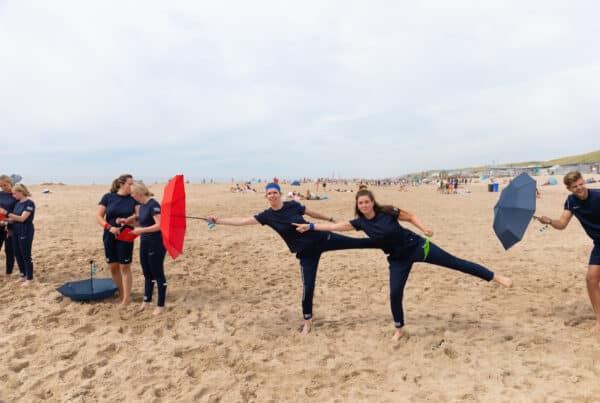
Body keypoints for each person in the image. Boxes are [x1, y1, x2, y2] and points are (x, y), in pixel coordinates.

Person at [294, 188, 513, 341]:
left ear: (372, 202)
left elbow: (410, 217)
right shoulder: (359, 222)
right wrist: (310, 227)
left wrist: (424, 229)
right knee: (394, 293)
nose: (364, 205)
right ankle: (399, 328)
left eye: (367, 202)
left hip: (418, 246)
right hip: (397, 259)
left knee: (455, 263)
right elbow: (335, 227)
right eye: (360, 203)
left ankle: (496, 277)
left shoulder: (388, 211)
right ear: (358, 206)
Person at [206, 182, 377, 334]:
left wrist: (331, 219)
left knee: (357, 243)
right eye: (269, 193)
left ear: (280, 194)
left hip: (322, 238)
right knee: (308, 287)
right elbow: (243, 221)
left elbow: (312, 213)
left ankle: (384, 243)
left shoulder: (293, 205)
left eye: (275, 192)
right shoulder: (267, 216)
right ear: (266, 197)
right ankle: (307, 321)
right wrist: (218, 220)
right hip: (306, 253)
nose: (272, 195)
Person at [537, 171, 600, 332]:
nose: (579, 188)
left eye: (581, 184)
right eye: (575, 186)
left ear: (584, 181)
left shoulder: (598, 195)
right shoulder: (571, 201)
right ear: (569, 189)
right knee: (591, 279)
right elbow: (562, 224)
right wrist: (549, 221)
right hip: (599, 244)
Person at [96, 174, 139, 305]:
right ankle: (121, 294)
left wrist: (129, 219)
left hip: (126, 234)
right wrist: (110, 227)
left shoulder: (133, 199)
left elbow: (139, 218)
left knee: (125, 266)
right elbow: (99, 216)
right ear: (121, 184)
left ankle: (126, 298)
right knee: (113, 267)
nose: (132, 186)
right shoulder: (108, 197)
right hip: (109, 234)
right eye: (130, 184)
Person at [130, 182, 167, 315]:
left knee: (157, 273)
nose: (131, 195)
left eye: (132, 193)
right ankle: (146, 300)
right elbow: (144, 223)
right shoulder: (142, 206)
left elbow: (160, 225)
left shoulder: (153, 204)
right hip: (145, 242)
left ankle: (160, 305)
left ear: (139, 192)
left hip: (156, 243)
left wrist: (141, 230)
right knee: (147, 272)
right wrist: (129, 223)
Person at [4, 184, 35, 286]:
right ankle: (23, 275)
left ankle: (29, 278)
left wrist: (6, 212)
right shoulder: (17, 203)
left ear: (20, 192)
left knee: (25, 254)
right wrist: (4, 219)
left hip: (25, 231)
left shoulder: (29, 203)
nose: (13, 196)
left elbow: (22, 218)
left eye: (14, 193)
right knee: (17, 253)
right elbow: (14, 219)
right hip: (16, 230)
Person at [0, 175, 16, 280]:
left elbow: (18, 211)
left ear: (10, 183)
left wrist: (5, 219)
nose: (3, 188)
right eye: (1, 186)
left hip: (11, 226)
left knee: (9, 250)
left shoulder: (16, 195)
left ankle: (8, 274)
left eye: (5, 185)